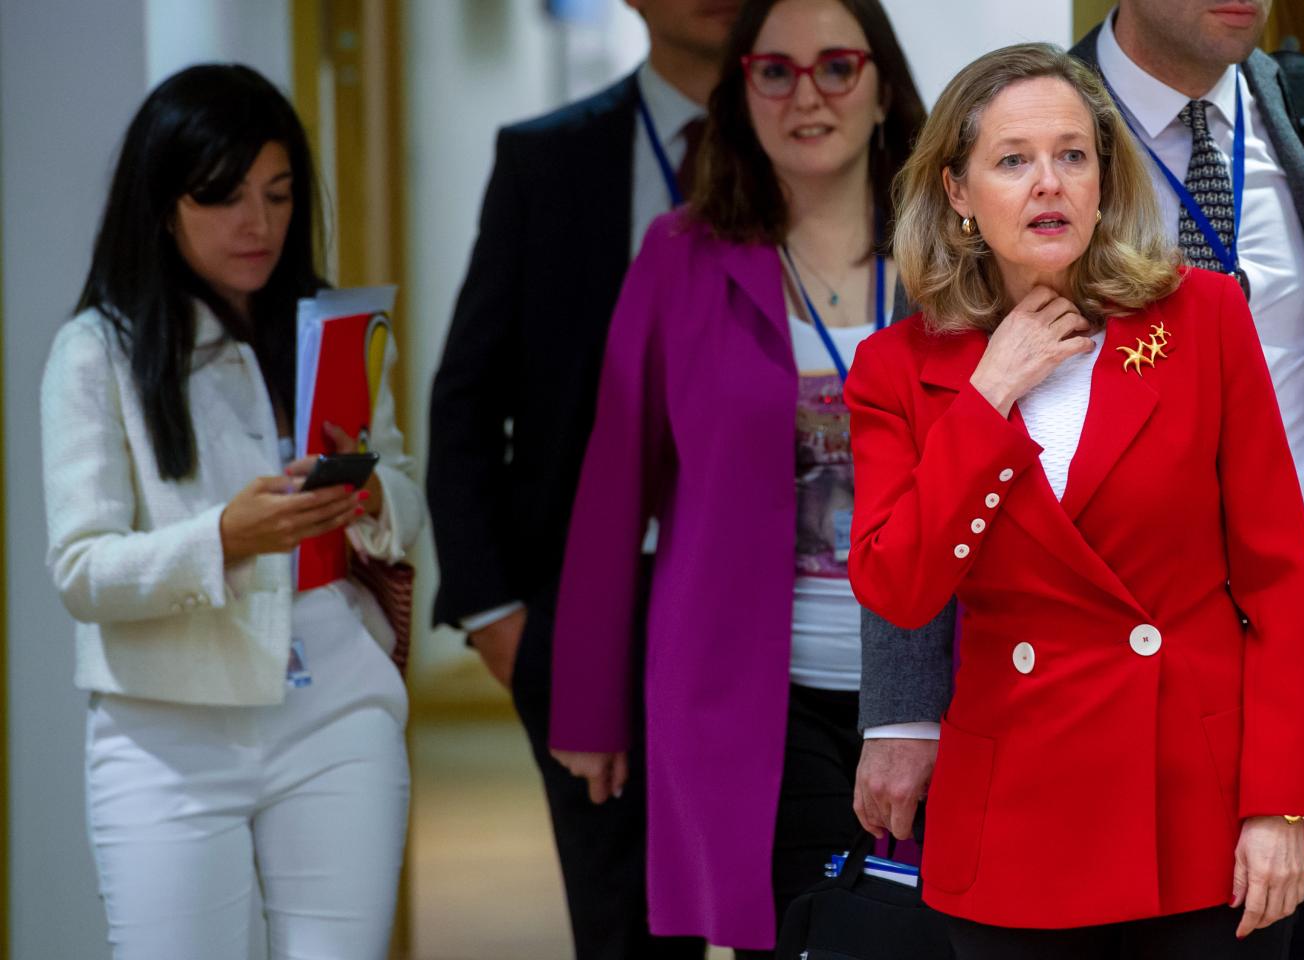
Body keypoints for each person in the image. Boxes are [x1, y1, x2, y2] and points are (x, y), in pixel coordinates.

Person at [858, 5, 1304, 960]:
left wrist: (1280, 803)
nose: (1049, 183)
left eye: (1073, 157)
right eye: (1013, 161)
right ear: (959, 191)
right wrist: (989, 398)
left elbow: (1273, 577)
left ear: (1107, 178)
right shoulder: (902, 368)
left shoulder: (1205, 316)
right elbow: (899, 584)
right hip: (1015, 811)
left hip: (1196, 802)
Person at [544, 0, 924, 953]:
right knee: (800, 935)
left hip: (932, 689)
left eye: (838, 67)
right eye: (776, 71)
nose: (809, 95)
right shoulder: (681, 255)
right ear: (741, 89)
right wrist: (590, 703)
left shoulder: (949, 257)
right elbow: (612, 486)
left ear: (883, 88)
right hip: (752, 691)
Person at [41, 64, 421, 959]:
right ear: (164, 203)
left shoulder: (335, 331)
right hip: (166, 726)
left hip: (336, 704)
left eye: (280, 195)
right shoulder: (98, 351)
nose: (259, 224)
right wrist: (220, 539)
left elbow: (404, 495)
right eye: (224, 198)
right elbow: (81, 567)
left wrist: (367, 494)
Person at [425, 1, 733, 955]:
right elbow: (467, 397)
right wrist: (498, 618)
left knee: (801, 910)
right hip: (595, 601)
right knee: (627, 926)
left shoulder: (824, 147)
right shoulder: (546, 161)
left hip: (775, 594)